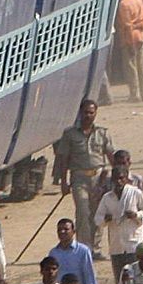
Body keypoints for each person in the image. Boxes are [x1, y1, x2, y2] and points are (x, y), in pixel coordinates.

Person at [53, 100, 113, 247]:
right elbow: (63, 159)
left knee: (98, 212)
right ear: (80, 113)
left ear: (95, 113)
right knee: (83, 212)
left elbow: (111, 155)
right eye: (85, 112)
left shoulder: (102, 133)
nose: (88, 115)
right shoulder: (70, 134)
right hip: (79, 178)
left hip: (99, 178)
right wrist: (63, 182)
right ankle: (84, 247)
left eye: (91, 112)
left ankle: (96, 246)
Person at [95, 167, 143, 284]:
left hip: (134, 245)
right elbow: (97, 219)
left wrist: (136, 215)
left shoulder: (135, 193)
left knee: (136, 280)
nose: (118, 181)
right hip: (116, 246)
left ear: (126, 179)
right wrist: (106, 219)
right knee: (120, 281)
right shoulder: (107, 197)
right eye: (116, 179)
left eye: (121, 178)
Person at [47, 217, 99, 284]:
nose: (62, 232)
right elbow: (51, 277)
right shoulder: (53, 253)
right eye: (59, 230)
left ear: (73, 231)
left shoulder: (83, 251)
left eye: (66, 229)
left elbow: (89, 274)